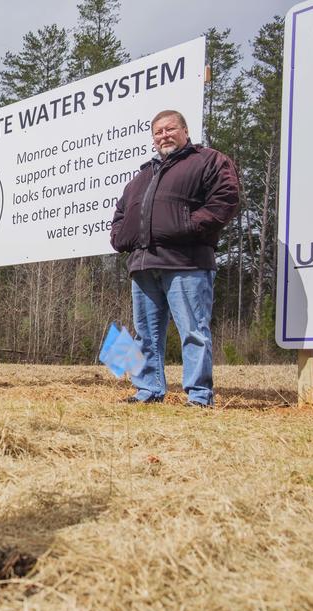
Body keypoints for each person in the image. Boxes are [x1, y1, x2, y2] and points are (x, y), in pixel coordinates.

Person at [110, 110, 239, 407]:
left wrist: (188, 226)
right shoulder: (141, 177)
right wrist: (121, 238)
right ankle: (148, 390)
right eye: (158, 132)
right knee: (146, 335)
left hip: (187, 262)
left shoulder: (207, 160)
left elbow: (225, 199)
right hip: (144, 266)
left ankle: (198, 396)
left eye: (170, 129)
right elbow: (120, 214)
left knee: (193, 332)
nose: (164, 136)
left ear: (185, 130)